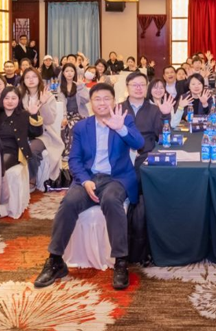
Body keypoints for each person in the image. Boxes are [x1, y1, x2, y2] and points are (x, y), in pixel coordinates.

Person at [35, 83, 144, 290]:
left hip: (117, 178)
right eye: (97, 99)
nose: (102, 103)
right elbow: (74, 159)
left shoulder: (125, 119)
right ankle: (55, 260)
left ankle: (121, 262)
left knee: (111, 200)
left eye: (106, 98)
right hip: (88, 178)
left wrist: (120, 128)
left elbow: (139, 144)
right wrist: (85, 181)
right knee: (68, 203)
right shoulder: (82, 127)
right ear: (91, 103)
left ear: (114, 101)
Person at [0, 86, 44, 174]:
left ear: (19, 100)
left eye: (13, 98)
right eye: (6, 98)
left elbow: (35, 133)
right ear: (2, 100)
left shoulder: (24, 115)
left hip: (13, 151)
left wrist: (34, 115)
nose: (10, 101)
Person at [120, 72, 163, 167]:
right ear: (127, 87)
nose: (138, 88)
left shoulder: (154, 109)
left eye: (142, 85)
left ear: (147, 87)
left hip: (146, 156)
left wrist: (165, 115)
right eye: (134, 85)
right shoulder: (118, 109)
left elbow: (162, 135)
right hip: (122, 156)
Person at [58, 63, 90, 164]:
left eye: (71, 71)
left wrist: (80, 87)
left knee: (72, 125)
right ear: (63, 73)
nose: (69, 73)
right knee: (62, 126)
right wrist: (64, 117)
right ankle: (62, 151)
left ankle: (69, 153)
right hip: (66, 114)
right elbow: (62, 104)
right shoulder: (60, 87)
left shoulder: (79, 85)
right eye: (67, 71)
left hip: (78, 114)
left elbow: (86, 100)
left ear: (75, 73)